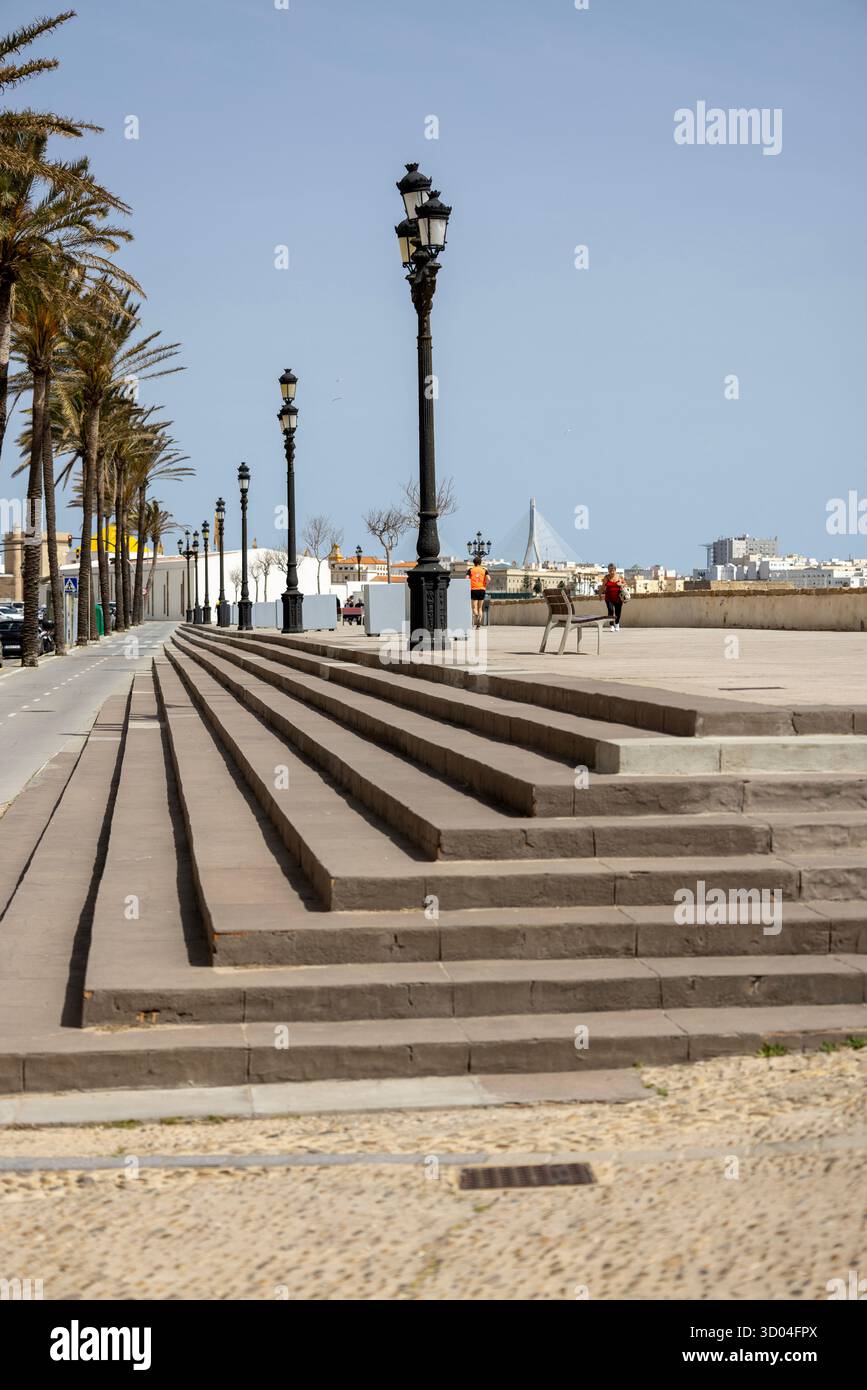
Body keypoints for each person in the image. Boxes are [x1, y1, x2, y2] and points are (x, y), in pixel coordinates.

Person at [600, 562, 626, 630]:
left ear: (615, 570)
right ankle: (611, 625)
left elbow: (625, 584)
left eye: (612, 570)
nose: (611, 572)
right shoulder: (606, 577)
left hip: (618, 598)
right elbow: (603, 587)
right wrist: (600, 594)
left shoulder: (620, 577)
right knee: (610, 610)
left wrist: (621, 584)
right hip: (609, 598)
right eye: (609, 570)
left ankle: (617, 624)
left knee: (618, 611)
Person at [466, 554, 489, 628]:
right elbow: (489, 579)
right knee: (480, 608)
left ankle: (476, 616)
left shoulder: (470, 570)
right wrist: (485, 584)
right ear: (480, 563)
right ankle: (479, 624)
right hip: (482, 589)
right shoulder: (484, 570)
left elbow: (466, 579)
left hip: (473, 590)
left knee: (474, 608)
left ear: (474, 563)